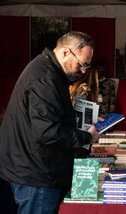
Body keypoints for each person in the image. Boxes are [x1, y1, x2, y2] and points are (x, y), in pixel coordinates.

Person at [0, 31, 100, 214]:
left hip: (32, 169)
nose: (84, 70)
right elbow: (47, 132)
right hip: (37, 174)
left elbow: (49, 118)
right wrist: (86, 137)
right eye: (82, 64)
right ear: (65, 52)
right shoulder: (46, 78)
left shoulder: (47, 70)